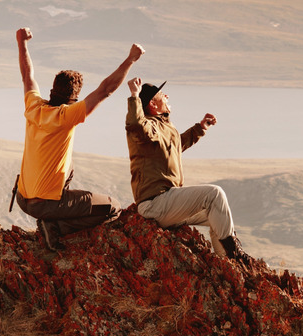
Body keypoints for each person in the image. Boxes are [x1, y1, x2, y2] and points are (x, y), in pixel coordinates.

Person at [13, 29, 143, 249]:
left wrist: (22, 42)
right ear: (74, 100)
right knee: (113, 208)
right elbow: (105, 90)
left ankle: (51, 218)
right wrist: (130, 59)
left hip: (22, 198)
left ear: (53, 89)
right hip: (44, 204)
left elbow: (28, 75)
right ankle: (54, 228)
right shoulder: (66, 116)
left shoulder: (33, 106)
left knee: (69, 166)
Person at [124, 77, 246, 260]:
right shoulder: (147, 128)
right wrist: (134, 95)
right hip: (155, 204)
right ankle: (234, 253)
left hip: (167, 202)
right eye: (161, 95)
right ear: (152, 105)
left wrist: (200, 128)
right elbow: (135, 124)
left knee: (218, 215)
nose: (166, 96)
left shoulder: (163, 126)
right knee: (215, 194)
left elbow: (175, 146)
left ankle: (228, 261)